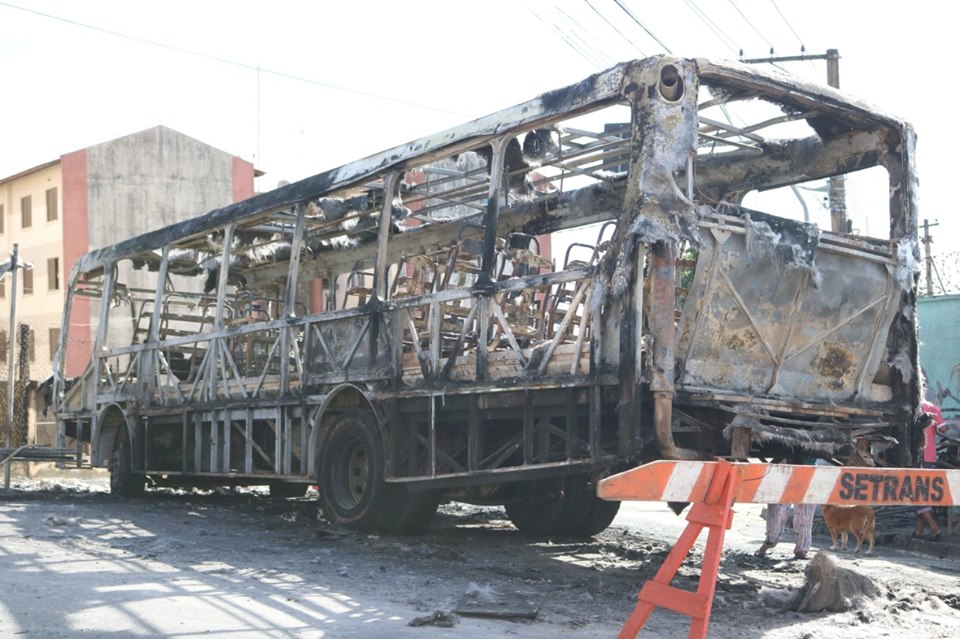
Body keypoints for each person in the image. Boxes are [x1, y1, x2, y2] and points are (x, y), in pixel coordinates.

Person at [755, 456, 815, 560]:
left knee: (782, 507)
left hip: (802, 465)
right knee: (786, 507)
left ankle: (771, 543)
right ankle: (772, 543)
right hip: (797, 464)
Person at [915, 400, 945, 541]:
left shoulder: (910, 404)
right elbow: (943, 429)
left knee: (918, 494)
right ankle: (919, 531)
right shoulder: (933, 407)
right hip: (930, 456)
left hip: (916, 456)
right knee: (924, 494)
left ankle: (934, 528)